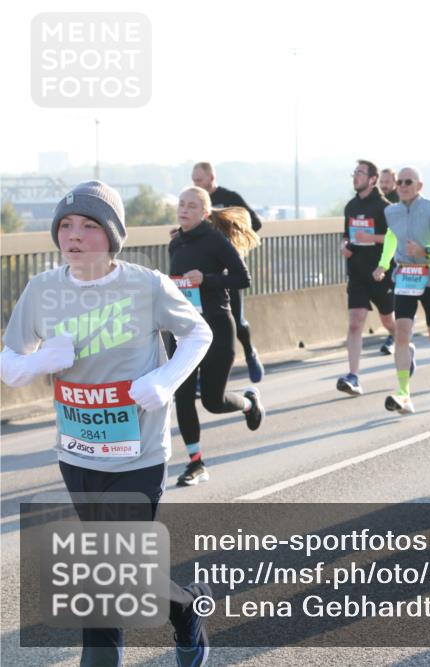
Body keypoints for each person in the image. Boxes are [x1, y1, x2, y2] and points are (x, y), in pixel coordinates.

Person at [1, 180, 215, 667]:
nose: (73, 235)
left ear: (113, 235)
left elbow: (198, 332)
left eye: (89, 226)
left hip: (137, 450)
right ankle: (185, 609)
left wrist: (165, 379)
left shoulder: (146, 285)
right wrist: (41, 361)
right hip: (76, 449)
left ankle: (169, 623)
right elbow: (11, 362)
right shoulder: (43, 290)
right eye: (65, 225)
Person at [169, 187, 265, 486]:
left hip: (217, 329)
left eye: (192, 206)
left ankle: (249, 403)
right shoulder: (175, 243)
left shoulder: (215, 240)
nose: (184, 209)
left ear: (204, 213)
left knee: (213, 401)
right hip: (185, 330)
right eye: (181, 204)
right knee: (182, 395)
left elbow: (243, 278)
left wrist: (206, 280)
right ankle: (195, 464)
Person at [374, 167, 430, 414]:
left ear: (419, 185)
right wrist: (382, 264)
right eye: (399, 182)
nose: (402, 185)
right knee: (402, 333)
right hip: (405, 278)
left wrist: (427, 251)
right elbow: (391, 238)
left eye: (408, 181)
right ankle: (403, 393)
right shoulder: (392, 211)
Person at [191, 161, 265, 383]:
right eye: (194, 181)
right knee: (201, 322)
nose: (197, 184)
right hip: (203, 272)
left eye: (200, 180)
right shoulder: (194, 201)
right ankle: (199, 377)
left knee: (237, 321)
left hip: (227, 269)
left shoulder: (229, 197)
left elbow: (256, 223)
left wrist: (229, 239)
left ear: (212, 177)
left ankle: (250, 352)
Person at [337, 160, 398, 396]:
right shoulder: (350, 206)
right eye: (354, 173)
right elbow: (346, 234)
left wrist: (372, 238)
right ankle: (353, 376)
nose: (355, 177)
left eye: (360, 173)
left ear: (372, 179)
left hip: (380, 274)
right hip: (357, 275)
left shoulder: (385, 207)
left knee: (388, 322)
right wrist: (345, 245)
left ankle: (404, 344)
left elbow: (394, 239)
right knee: (355, 323)